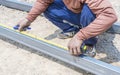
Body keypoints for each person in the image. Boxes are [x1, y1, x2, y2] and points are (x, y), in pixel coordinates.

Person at [17, 0, 117, 56]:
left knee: (89, 12)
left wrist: (81, 36)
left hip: (89, 16)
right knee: (48, 7)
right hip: (75, 10)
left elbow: (109, 16)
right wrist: (29, 18)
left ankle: (89, 42)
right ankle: (71, 30)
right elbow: (43, 1)